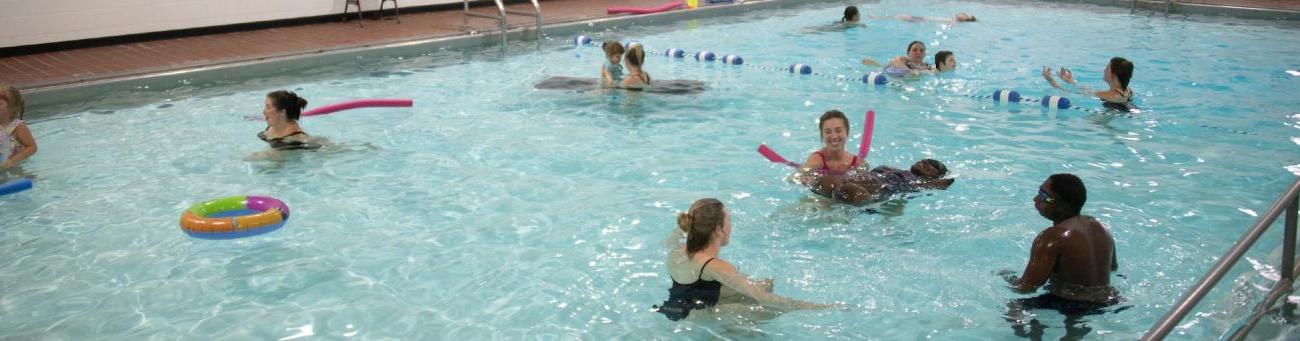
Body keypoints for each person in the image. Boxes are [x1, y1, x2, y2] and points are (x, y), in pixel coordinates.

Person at [654, 198, 830, 320]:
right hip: (695, 317)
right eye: (729, 220)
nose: (731, 225)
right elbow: (764, 299)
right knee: (770, 310)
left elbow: (670, 240)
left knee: (765, 283)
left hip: (676, 305)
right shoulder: (715, 266)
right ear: (718, 229)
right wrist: (821, 308)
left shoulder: (678, 249)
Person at [1000, 174, 1120, 339]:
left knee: (1014, 307)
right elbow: (1113, 268)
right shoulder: (1100, 226)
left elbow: (1026, 288)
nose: (1036, 199)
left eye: (1044, 197)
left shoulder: (1051, 237)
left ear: (1062, 207)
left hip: (1072, 304)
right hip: (1111, 299)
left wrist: (1007, 278)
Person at [812, 159, 954, 205]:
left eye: (935, 166)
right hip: (846, 182)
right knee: (825, 181)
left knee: (847, 191)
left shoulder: (918, 182)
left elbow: (944, 184)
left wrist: (945, 180)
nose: (928, 163)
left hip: (865, 192)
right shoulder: (892, 168)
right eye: (927, 161)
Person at [1042, 57, 1138, 112]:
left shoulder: (1112, 95)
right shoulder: (1128, 90)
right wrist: (1071, 81)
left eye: (1107, 68)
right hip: (1121, 112)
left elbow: (1073, 92)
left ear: (1114, 75)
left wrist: (1051, 80)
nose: (1104, 70)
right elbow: (1089, 91)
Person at [800, 110, 865, 176]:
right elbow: (794, 178)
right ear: (822, 135)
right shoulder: (817, 160)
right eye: (828, 132)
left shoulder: (857, 163)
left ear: (847, 132)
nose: (834, 136)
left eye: (838, 131)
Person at [0, 84, 37, 169]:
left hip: (12, 168)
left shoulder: (18, 126)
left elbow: (32, 147)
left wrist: (13, 160)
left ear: (11, 107)